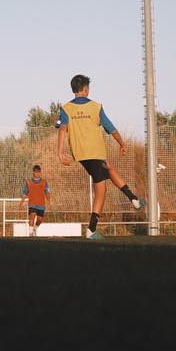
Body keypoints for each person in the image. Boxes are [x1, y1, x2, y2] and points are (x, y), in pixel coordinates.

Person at [55, 74, 144, 240]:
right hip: (94, 151)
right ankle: (91, 230)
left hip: (81, 154)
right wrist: (122, 143)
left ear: (73, 89)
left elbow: (61, 129)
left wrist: (60, 152)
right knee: (101, 191)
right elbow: (110, 127)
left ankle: (134, 199)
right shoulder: (96, 107)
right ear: (86, 89)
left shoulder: (66, 108)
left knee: (109, 169)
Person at [19, 164, 51, 235]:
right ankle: (30, 234)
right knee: (32, 217)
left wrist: (49, 202)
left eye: (39, 172)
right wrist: (21, 203)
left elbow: (47, 192)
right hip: (32, 204)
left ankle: (35, 229)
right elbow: (24, 193)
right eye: (36, 172)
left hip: (41, 204)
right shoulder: (28, 182)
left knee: (40, 220)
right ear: (33, 172)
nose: (37, 173)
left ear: (40, 172)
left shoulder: (44, 182)